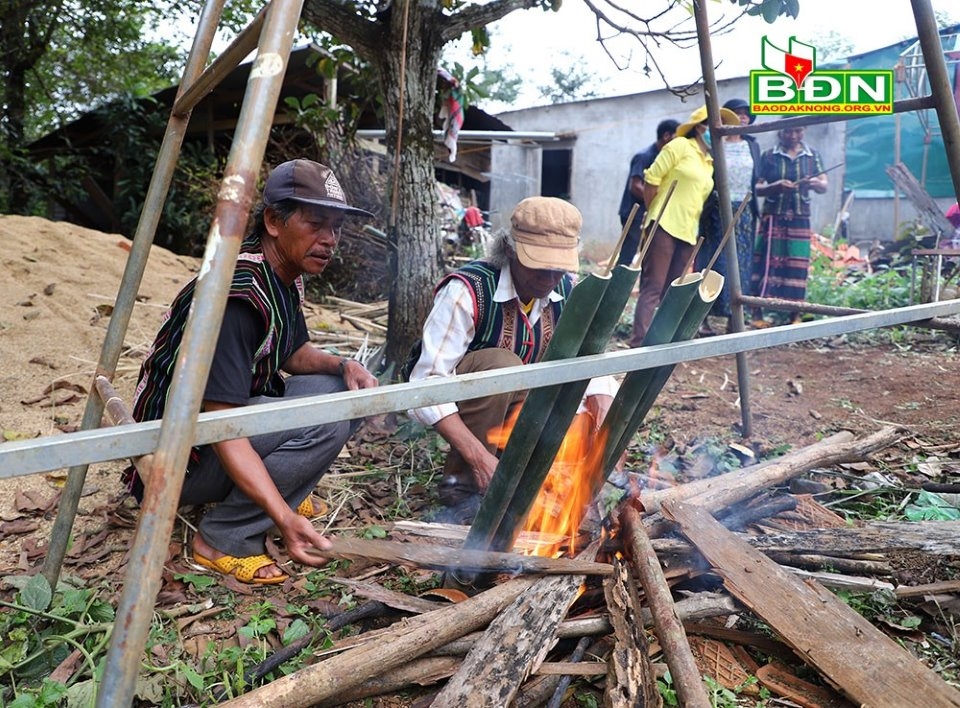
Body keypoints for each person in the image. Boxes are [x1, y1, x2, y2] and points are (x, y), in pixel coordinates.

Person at [127, 159, 379, 584]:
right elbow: (224, 423)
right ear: (273, 222)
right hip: (176, 461)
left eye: (336, 227)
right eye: (316, 223)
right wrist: (281, 516)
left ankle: (277, 488)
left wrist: (344, 364)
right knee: (330, 417)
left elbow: (291, 353)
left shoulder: (281, 273)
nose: (329, 239)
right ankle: (223, 538)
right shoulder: (236, 297)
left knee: (340, 389)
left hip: (212, 435)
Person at [407, 196, 618, 521]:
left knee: (581, 383)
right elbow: (425, 387)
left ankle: (532, 476)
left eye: (558, 265)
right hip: (474, 406)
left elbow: (592, 359)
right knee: (502, 366)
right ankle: (463, 485)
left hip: (528, 412)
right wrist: (478, 458)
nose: (550, 276)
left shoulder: (569, 291)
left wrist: (601, 403)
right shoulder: (468, 291)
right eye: (540, 263)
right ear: (510, 249)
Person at [629, 104, 739, 347]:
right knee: (653, 287)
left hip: (689, 232)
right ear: (700, 127)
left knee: (672, 291)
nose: (720, 130)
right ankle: (638, 344)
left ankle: (662, 342)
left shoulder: (709, 162)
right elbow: (652, 179)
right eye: (715, 124)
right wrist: (653, 213)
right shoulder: (679, 146)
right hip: (664, 223)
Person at [695, 98, 762, 335]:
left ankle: (735, 318)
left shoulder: (752, 145)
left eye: (746, 114)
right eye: (737, 114)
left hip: (744, 210)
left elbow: (757, 180)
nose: (742, 118)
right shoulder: (713, 141)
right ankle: (701, 317)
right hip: (716, 209)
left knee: (741, 264)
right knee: (714, 261)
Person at [751, 126, 828, 325]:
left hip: (800, 216)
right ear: (780, 133)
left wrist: (814, 184)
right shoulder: (769, 156)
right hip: (773, 216)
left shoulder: (812, 156)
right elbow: (757, 188)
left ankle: (794, 314)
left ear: (803, 131)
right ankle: (757, 314)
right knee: (765, 263)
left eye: (798, 131)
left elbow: (823, 185)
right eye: (788, 132)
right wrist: (774, 187)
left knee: (797, 265)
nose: (793, 136)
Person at [616, 119, 681, 266]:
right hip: (635, 214)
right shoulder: (644, 156)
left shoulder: (667, 156)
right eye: (677, 137)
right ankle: (616, 287)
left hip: (652, 213)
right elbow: (635, 186)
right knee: (628, 255)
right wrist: (656, 199)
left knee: (648, 255)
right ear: (666, 136)